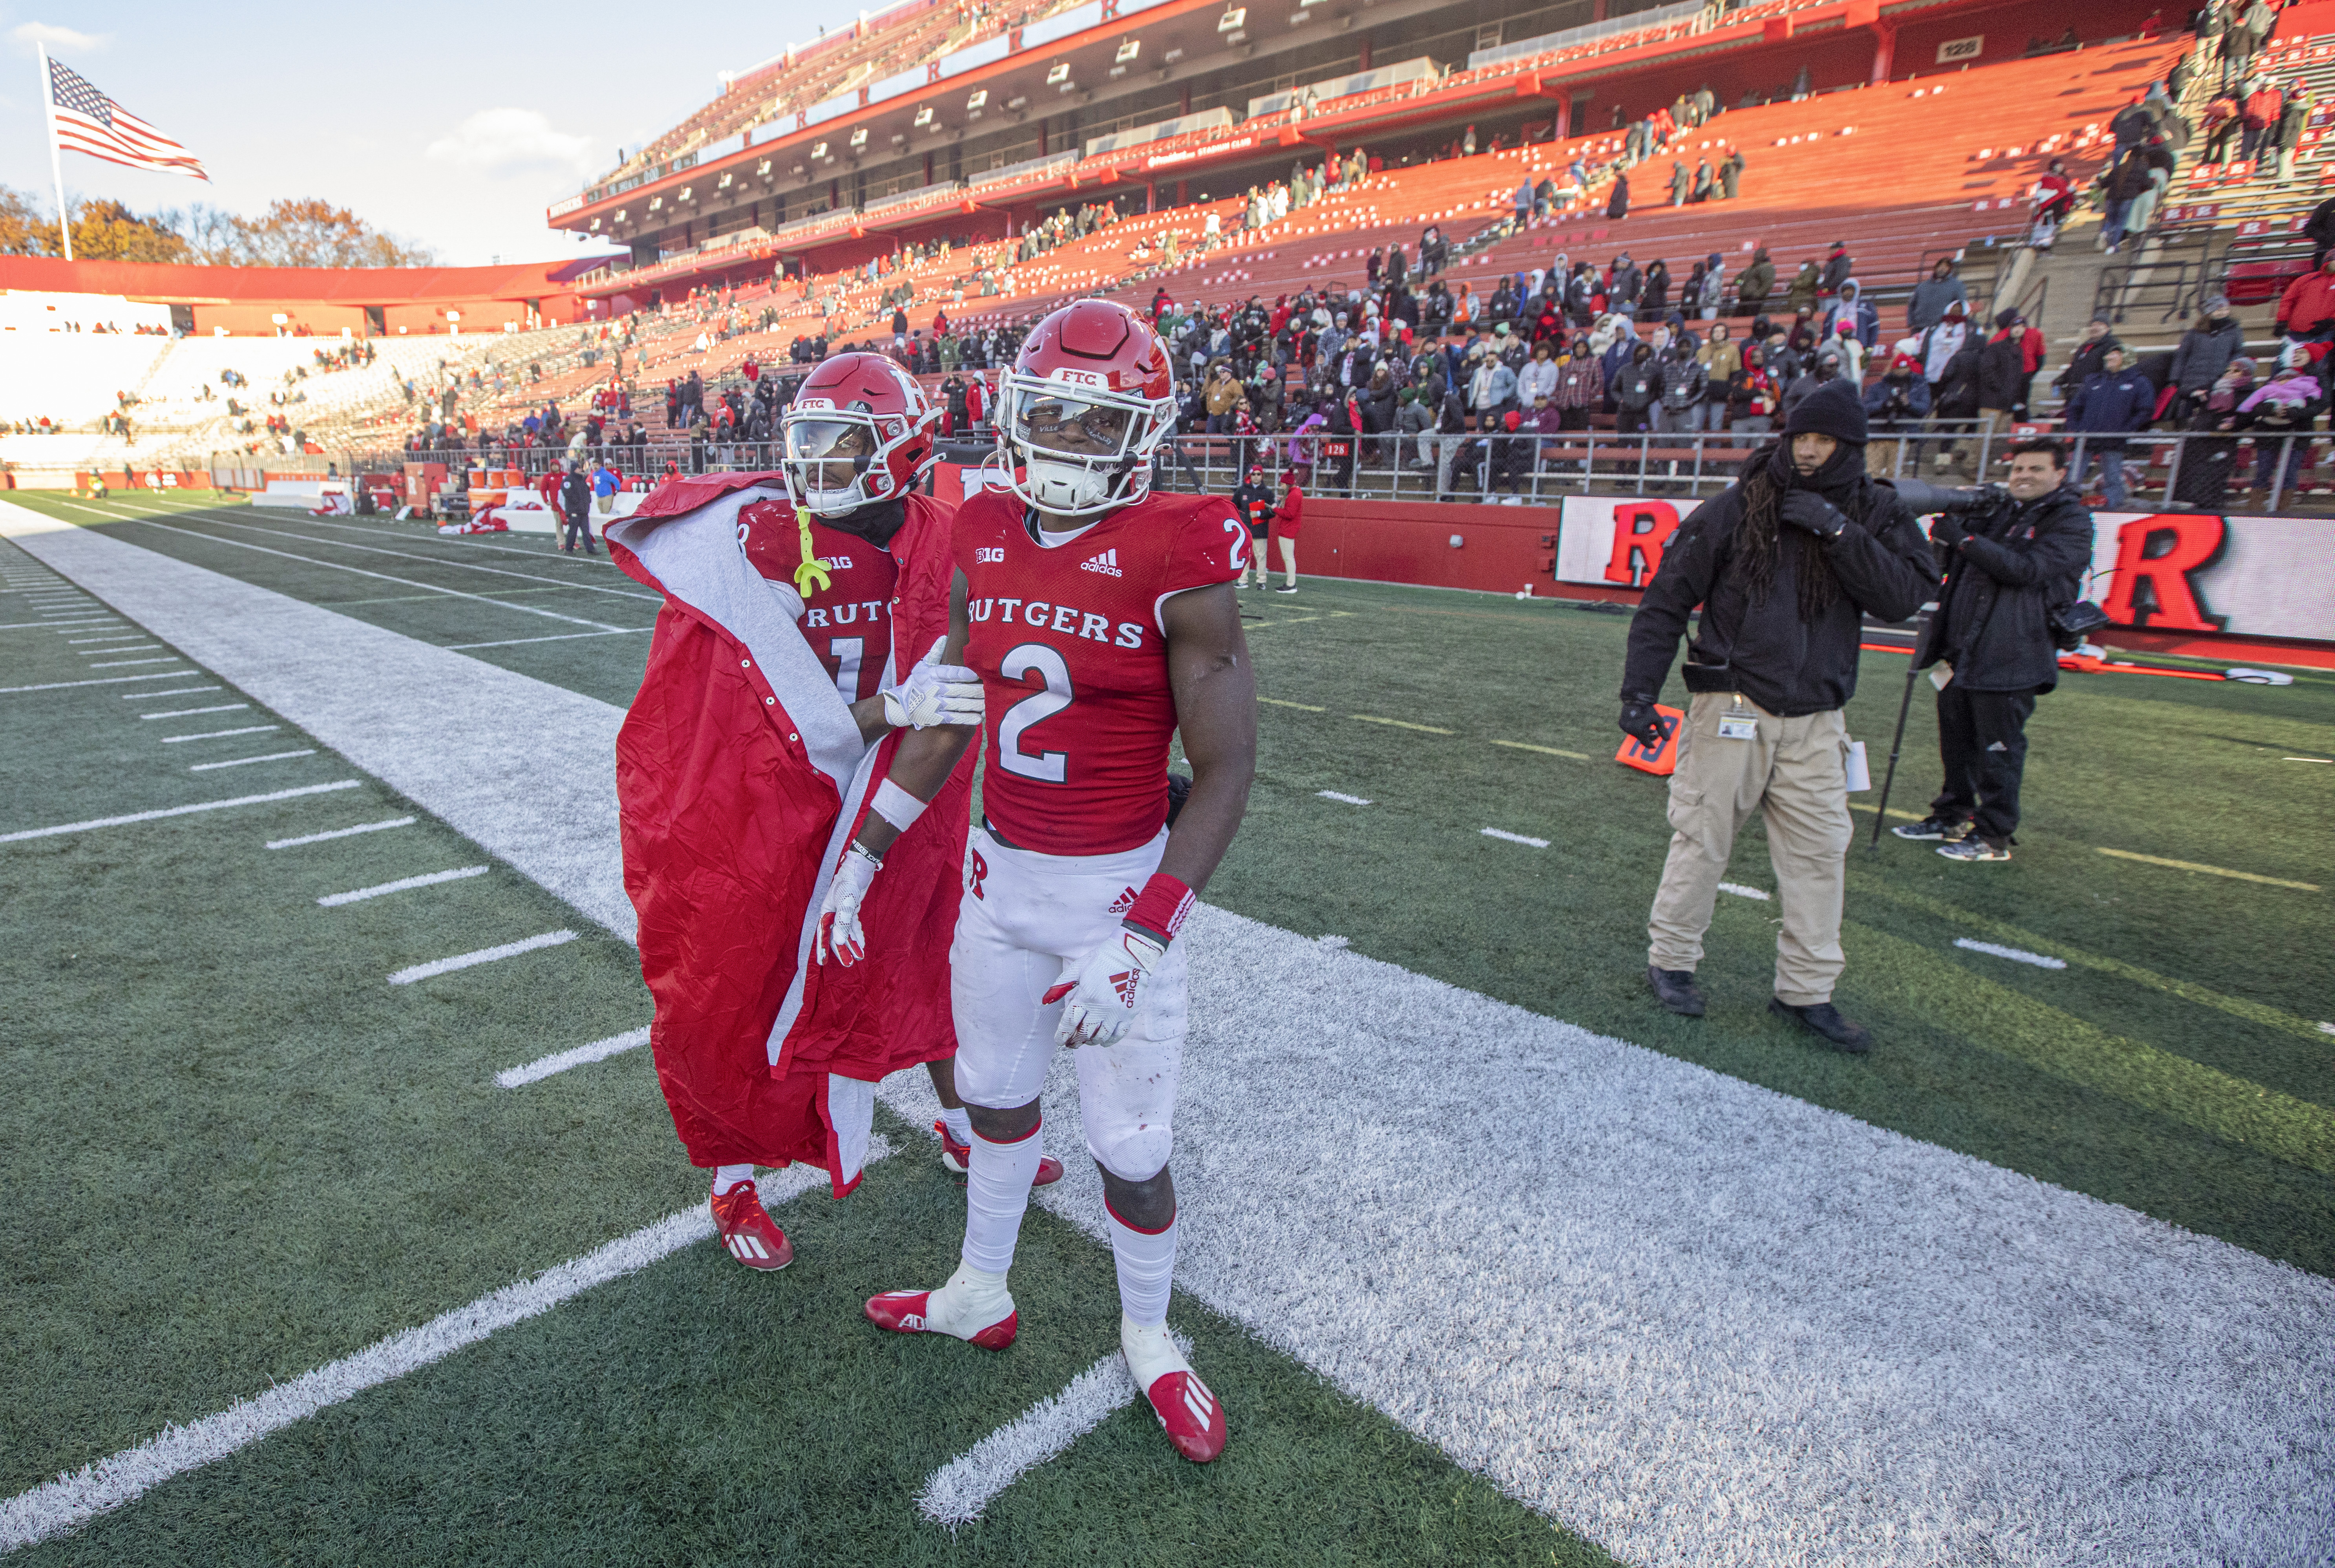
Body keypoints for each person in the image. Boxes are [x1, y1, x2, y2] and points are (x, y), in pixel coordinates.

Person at [853, 301, 1255, 1466]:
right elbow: (953, 709)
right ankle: (981, 1284)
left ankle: (1147, 1331)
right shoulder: (980, 524)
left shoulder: (1183, 542)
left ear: (1146, 430)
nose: (1071, 446)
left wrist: (1140, 937)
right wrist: (865, 854)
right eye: (1054, 419)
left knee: (1129, 1145)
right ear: (1016, 413)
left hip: (1112, 902)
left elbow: (1226, 765)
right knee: (990, 1097)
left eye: (1100, 423)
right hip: (998, 886)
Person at [605, 352, 1057, 1280]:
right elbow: (754, 732)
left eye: (845, 440)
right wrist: (893, 708)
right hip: (768, 807)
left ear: (908, 450)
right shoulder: (756, 545)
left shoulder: (947, 535)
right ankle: (734, 1176)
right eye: (808, 438)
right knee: (742, 986)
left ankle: (962, 1125)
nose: (817, 461)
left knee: (930, 962)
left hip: (910, 801)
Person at [1620, 381, 1937, 1049]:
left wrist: (1836, 529)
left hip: (1818, 718)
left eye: (1825, 440)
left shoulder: (1874, 511)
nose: (1811, 451)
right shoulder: (1736, 507)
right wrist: (1638, 694)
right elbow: (1665, 601)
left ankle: (1806, 991)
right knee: (1700, 841)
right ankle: (1671, 962)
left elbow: (1902, 595)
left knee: (1820, 856)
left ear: (1852, 446)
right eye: (1801, 438)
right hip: (1729, 703)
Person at [1898, 440, 2095, 862]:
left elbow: (2026, 570)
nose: (2022, 476)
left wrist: (1964, 538)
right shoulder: (2001, 511)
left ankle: (1992, 835)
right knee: (1955, 743)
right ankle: (1949, 814)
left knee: (1998, 749)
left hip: (2013, 654)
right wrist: (1950, 535)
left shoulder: (2072, 521)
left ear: (2059, 475)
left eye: (2035, 469)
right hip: (1962, 651)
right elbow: (1949, 568)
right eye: (2017, 468)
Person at [1231, 463, 1278, 588]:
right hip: (1245, 529)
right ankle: (1243, 581)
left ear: (1262, 476)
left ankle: (1261, 582)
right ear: (1250, 476)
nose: (1256, 477)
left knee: (1261, 556)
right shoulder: (1242, 491)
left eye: (1259, 474)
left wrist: (1259, 514)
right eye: (1254, 474)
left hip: (1261, 530)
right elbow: (1233, 506)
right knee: (1245, 556)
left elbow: (1274, 512)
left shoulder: (1268, 493)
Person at [1271, 475, 1303, 591]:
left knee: (1288, 558)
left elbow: (1290, 514)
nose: (1281, 486)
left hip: (1288, 529)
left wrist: (1276, 509)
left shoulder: (1294, 494)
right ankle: (1291, 583)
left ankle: (1291, 584)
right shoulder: (1295, 492)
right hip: (1288, 529)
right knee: (1288, 557)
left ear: (1288, 484)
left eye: (1283, 484)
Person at [558, 461, 596, 555]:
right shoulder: (568, 480)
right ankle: (569, 549)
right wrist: (577, 502)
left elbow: (587, 492)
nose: (581, 470)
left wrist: (588, 501)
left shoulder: (582, 480)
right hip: (574, 510)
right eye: (579, 468)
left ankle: (590, 549)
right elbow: (567, 493)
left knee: (586, 531)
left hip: (583, 510)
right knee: (573, 531)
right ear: (575, 469)